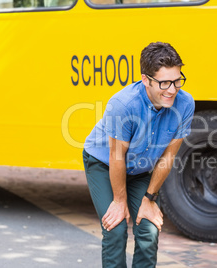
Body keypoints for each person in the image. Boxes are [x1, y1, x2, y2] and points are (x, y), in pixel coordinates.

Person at [82, 42, 195, 268]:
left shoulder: (185, 103)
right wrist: (119, 201)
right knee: (116, 227)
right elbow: (116, 157)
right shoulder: (123, 104)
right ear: (146, 80)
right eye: (164, 83)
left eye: (177, 80)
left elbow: (168, 157)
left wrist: (149, 199)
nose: (172, 89)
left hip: (141, 167)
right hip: (105, 163)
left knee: (148, 228)